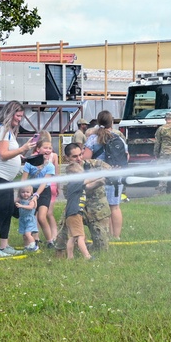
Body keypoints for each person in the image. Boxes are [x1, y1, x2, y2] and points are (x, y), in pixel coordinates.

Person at [0, 100, 37, 258]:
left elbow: (12, 155)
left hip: (5, 178)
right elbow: (3, 154)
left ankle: (4, 246)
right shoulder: (1, 130)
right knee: (0, 211)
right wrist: (22, 148)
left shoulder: (9, 132)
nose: (19, 119)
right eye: (18, 115)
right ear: (10, 113)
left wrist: (26, 157)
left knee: (7, 211)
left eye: (21, 116)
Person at [83, 110, 128, 240]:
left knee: (103, 208)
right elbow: (126, 156)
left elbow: (86, 159)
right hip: (116, 177)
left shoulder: (93, 139)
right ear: (111, 123)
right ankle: (117, 236)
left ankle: (106, 235)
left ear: (98, 122)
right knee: (115, 207)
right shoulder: (118, 137)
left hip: (99, 178)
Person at [22, 138, 58, 249]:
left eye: (50, 148)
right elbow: (23, 180)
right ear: (38, 149)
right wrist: (23, 195)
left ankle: (50, 241)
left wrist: (36, 195)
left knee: (42, 217)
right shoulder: (29, 164)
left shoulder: (50, 166)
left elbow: (44, 183)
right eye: (45, 147)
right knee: (29, 217)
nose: (48, 150)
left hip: (44, 192)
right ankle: (32, 241)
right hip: (31, 191)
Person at [58, 162, 91, 260]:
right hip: (75, 214)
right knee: (80, 236)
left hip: (71, 214)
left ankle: (70, 257)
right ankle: (87, 256)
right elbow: (89, 179)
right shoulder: (75, 183)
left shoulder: (73, 184)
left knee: (72, 237)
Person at [15, 185, 39, 251]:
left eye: (27, 192)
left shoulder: (31, 200)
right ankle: (26, 246)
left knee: (28, 233)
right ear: (20, 193)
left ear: (31, 193)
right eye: (23, 192)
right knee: (24, 235)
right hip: (22, 219)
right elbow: (15, 201)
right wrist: (16, 201)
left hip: (30, 220)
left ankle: (33, 245)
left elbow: (30, 207)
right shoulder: (20, 200)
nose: (25, 193)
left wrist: (21, 205)